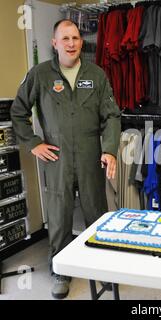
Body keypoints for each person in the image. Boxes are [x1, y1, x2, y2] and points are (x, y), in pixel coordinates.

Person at [11, 19, 121, 299]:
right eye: (65, 39)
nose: (71, 43)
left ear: (81, 42)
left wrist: (108, 149)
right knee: (59, 215)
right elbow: (18, 111)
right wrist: (34, 143)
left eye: (76, 38)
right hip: (56, 156)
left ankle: (100, 266)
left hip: (89, 155)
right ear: (54, 43)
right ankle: (60, 270)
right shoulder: (40, 74)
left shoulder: (96, 75)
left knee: (96, 211)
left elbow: (111, 116)